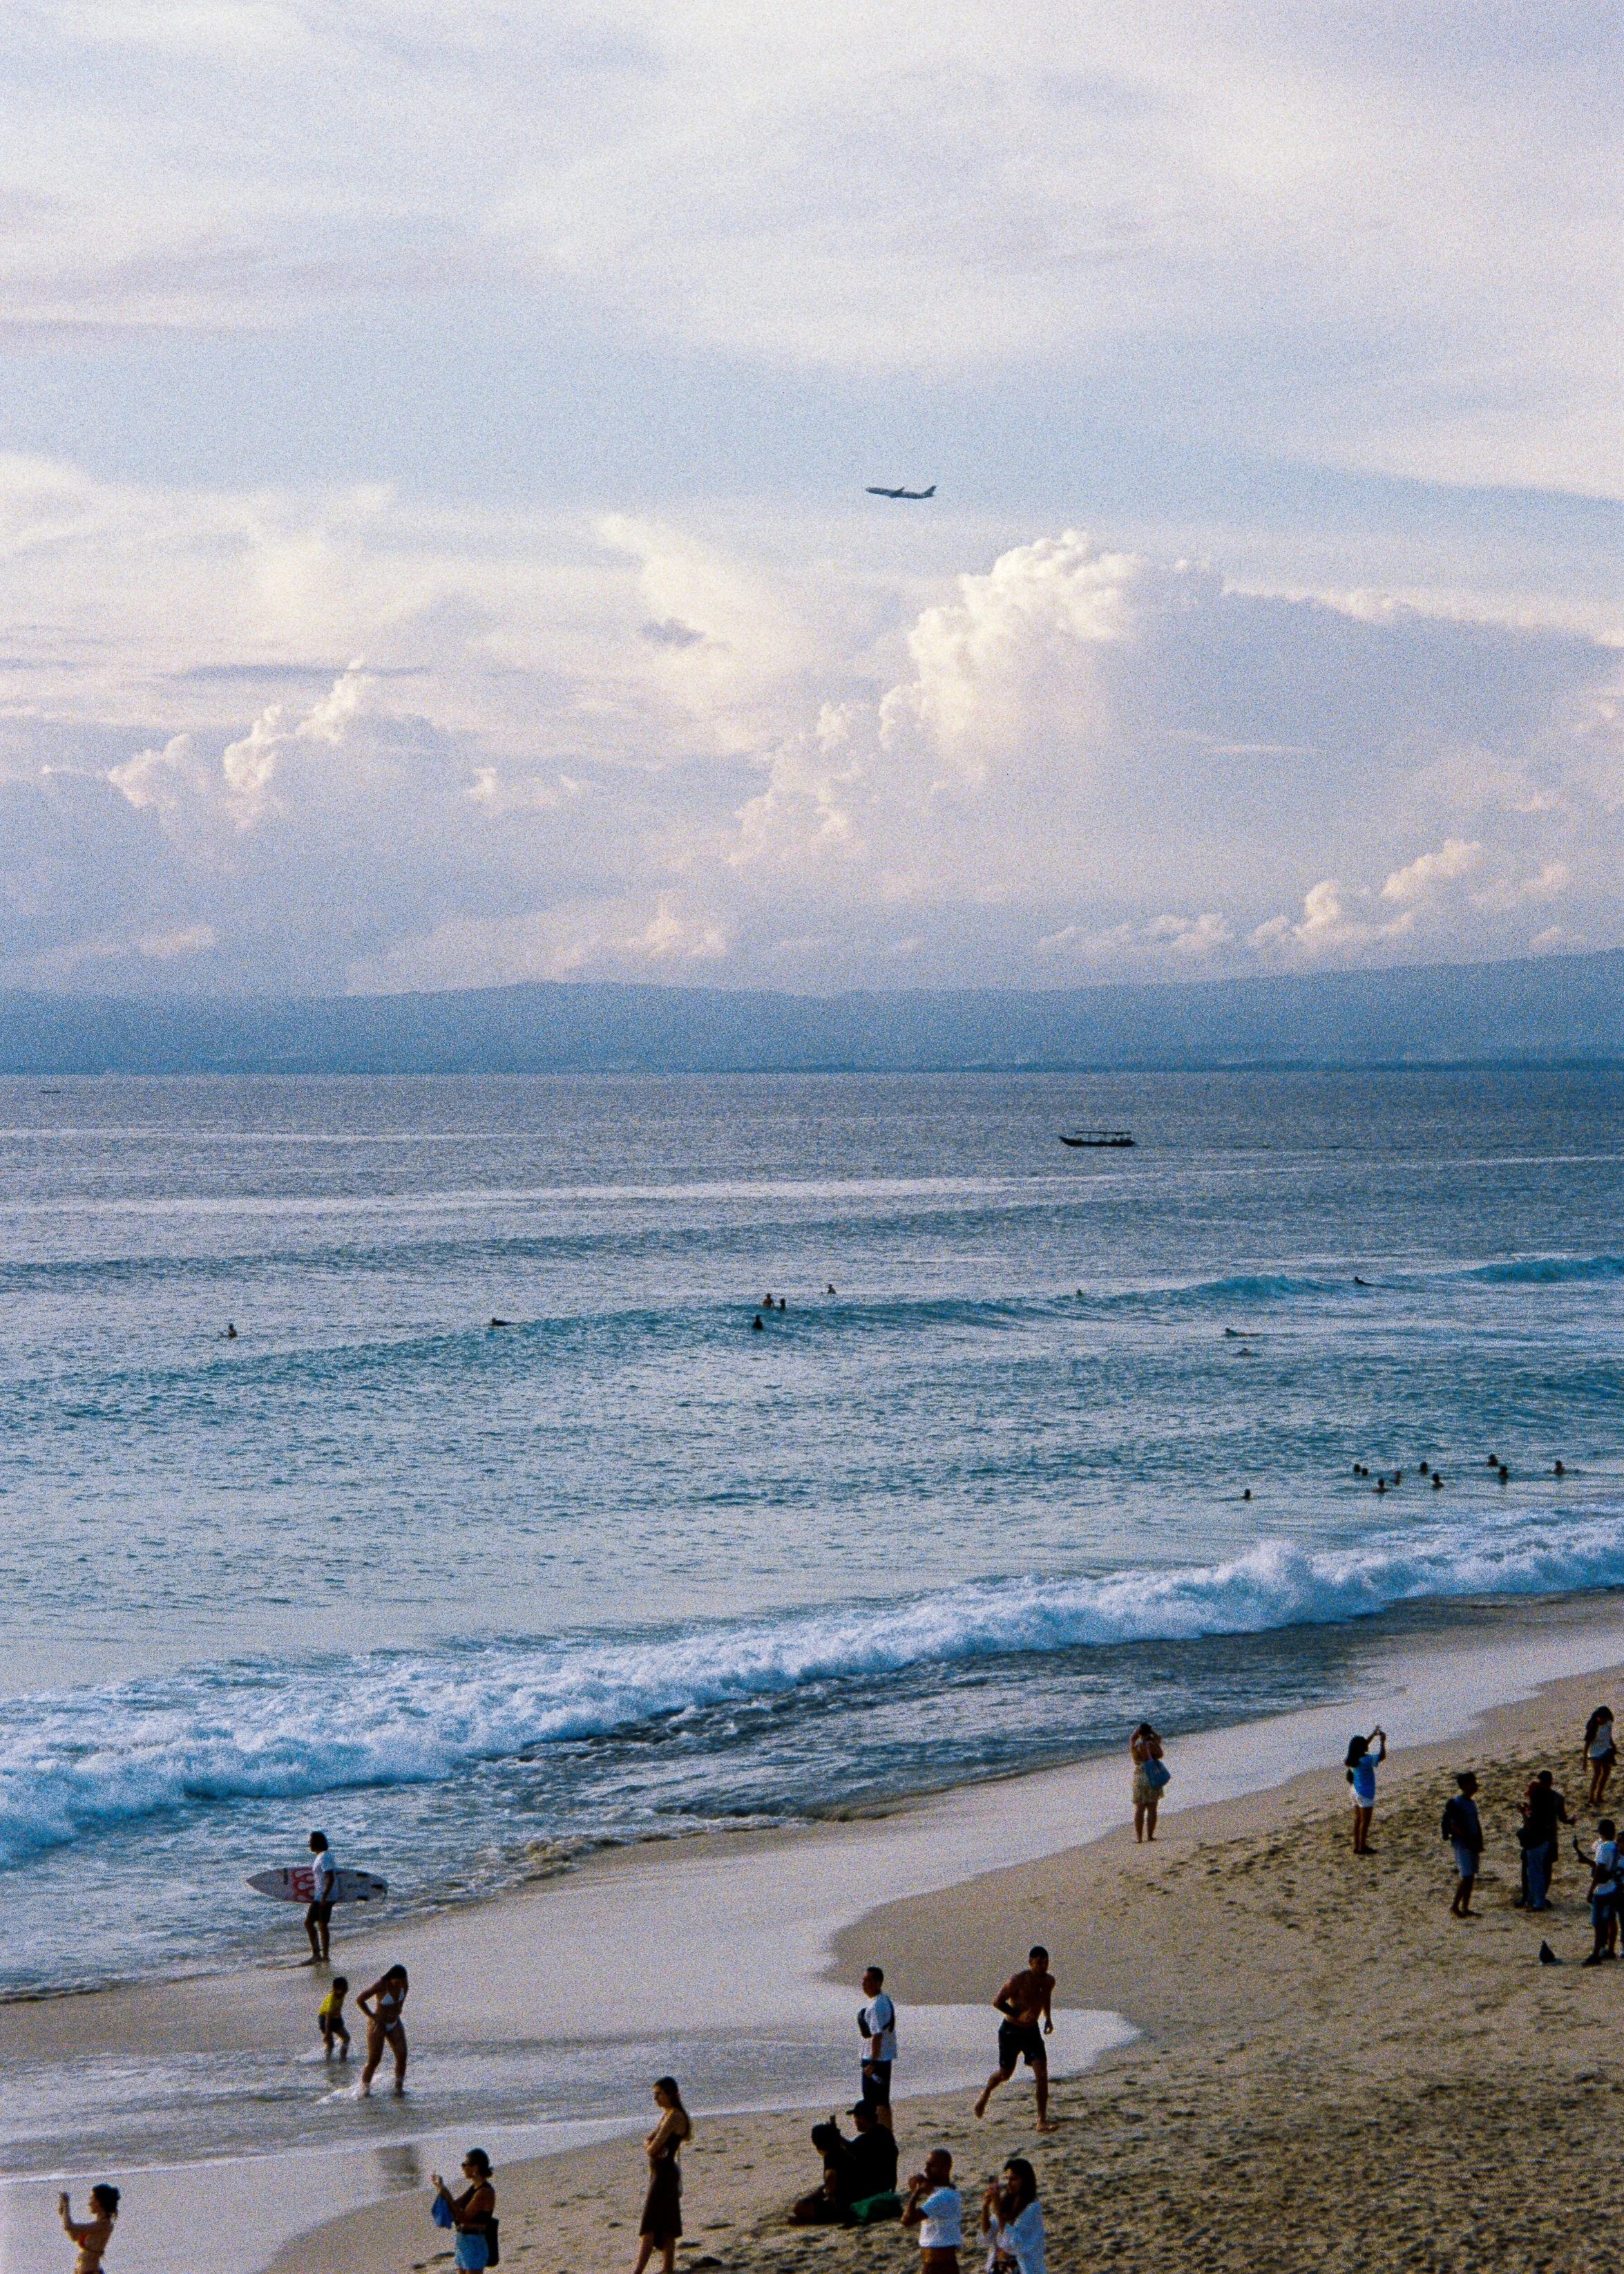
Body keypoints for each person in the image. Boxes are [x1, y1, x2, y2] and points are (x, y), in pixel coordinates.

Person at [973, 1946, 1055, 2130]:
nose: (1043, 1966)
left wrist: (1048, 2018)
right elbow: (997, 2001)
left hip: (1032, 2032)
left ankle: (1041, 2120)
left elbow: (1045, 1997)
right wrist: (1018, 2015)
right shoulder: (1018, 1980)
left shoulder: (1050, 1981)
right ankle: (986, 2093)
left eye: (1046, 1962)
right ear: (1030, 1962)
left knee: (1042, 2074)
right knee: (1005, 2074)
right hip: (1011, 2031)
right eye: (1039, 1962)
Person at [789, 2104, 899, 2225]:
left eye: (856, 2119)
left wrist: (829, 2196)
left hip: (864, 2195)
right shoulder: (884, 2134)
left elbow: (834, 2171)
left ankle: (814, 2218)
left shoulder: (863, 2142)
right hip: (884, 2187)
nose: (855, 2122)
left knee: (801, 2207)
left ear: (861, 2118)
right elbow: (853, 2150)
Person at [632, 2076, 690, 2274]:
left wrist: (650, 2146)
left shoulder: (675, 2116)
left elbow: (653, 2146)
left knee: (650, 2226)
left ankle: (638, 2271)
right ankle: (667, 2269)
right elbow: (649, 2140)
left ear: (669, 2094)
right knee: (667, 2225)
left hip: (665, 2176)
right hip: (661, 2174)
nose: (655, 2098)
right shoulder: (667, 2115)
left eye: (658, 2094)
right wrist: (650, 2145)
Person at [431, 2150, 496, 2273]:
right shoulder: (474, 2188)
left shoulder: (484, 2192)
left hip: (474, 2243)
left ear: (475, 2167)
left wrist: (446, 2194)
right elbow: (455, 2206)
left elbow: (464, 2217)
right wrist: (441, 2189)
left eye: (465, 2164)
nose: (462, 2167)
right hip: (464, 2241)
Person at [901, 2148, 962, 2272]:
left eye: (931, 2166)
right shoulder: (948, 2193)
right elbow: (940, 2190)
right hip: (941, 2263)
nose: (926, 2170)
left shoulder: (942, 2197)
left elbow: (907, 2220)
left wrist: (916, 2193)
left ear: (945, 2169)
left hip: (937, 2266)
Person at [980, 2159, 1044, 2274]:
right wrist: (985, 2208)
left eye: (1014, 2179)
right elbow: (988, 2237)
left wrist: (998, 2210)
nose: (1009, 2183)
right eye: (1007, 2178)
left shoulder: (1032, 2208)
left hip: (1021, 2268)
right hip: (999, 2266)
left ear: (1025, 2181)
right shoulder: (1006, 2204)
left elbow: (1016, 2244)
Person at [1521, 1770, 1572, 1910]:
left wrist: (1524, 1813)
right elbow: (1563, 1818)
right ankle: (1540, 1897)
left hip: (1536, 1838)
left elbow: (1531, 1819)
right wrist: (1570, 1821)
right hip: (1550, 1837)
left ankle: (1533, 1898)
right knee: (1546, 1868)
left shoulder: (1536, 1797)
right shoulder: (1557, 1798)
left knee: (1533, 1870)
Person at [356, 1963, 409, 2096]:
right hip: (379, 2023)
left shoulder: (404, 1984)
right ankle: (365, 2089)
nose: (400, 1985)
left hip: (394, 2022)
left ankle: (398, 2087)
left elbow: (403, 1996)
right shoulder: (381, 1985)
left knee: (402, 2054)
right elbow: (360, 1999)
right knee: (375, 2059)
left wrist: (398, 2009)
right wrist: (372, 2016)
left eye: (403, 1981)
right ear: (392, 1978)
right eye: (398, 1982)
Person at [858, 1964, 896, 2128]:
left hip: (876, 2061)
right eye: (863, 1980)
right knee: (881, 2101)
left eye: (867, 1980)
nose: (863, 1984)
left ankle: (882, 2136)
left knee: (876, 2103)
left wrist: (872, 2063)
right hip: (880, 2059)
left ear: (878, 1983)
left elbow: (877, 2036)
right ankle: (886, 2135)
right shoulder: (882, 2000)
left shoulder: (876, 2006)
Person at [1441, 1774, 1482, 1918]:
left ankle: (1465, 1907)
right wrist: (1467, 1837)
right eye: (1473, 1783)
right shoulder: (1457, 1803)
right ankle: (1455, 1906)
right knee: (1466, 1876)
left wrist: (1477, 1841)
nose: (1476, 1786)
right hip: (1462, 1844)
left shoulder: (1471, 1803)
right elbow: (1452, 1825)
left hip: (1471, 1843)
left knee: (1470, 1877)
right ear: (1465, 1786)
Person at [1582, 1818, 1620, 1965]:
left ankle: (1596, 1953)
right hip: (1613, 1888)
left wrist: (1591, 1890)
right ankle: (1609, 1950)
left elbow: (1599, 1870)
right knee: (1611, 1919)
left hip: (1602, 1891)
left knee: (1599, 1924)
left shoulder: (1603, 1848)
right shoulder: (1616, 1846)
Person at [57, 2188, 119, 2274]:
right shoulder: (96, 2225)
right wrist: (63, 2213)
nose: (89, 2204)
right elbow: (74, 2237)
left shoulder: (104, 2225)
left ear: (99, 2202)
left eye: (92, 2199)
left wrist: (67, 2206)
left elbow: (69, 2227)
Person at [1344, 1728, 1386, 1855]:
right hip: (1365, 1792)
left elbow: (1363, 1745)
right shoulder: (1366, 1761)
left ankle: (1357, 1846)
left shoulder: (1352, 1760)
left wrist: (1373, 1735)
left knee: (1358, 1819)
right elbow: (1382, 1757)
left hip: (1354, 1790)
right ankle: (1362, 1847)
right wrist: (1383, 1742)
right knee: (1365, 1822)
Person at [1130, 1723, 1167, 1843]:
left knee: (1140, 1808)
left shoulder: (1136, 1745)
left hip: (1140, 1775)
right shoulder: (1151, 1744)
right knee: (1152, 1807)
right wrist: (1153, 1734)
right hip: (1152, 1775)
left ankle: (1139, 1838)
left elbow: (1132, 1738)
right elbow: (1160, 1754)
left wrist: (1137, 1730)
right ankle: (1150, 1836)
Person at [304, 1830, 336, 1964]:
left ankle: (324, 1956)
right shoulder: (320, 1857)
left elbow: (330, 1877)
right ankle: (318, 1954)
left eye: (310, 1841)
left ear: (316, 1843)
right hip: (321, 1895)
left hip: (325, 1896)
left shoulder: (325, 1857)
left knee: (321, 1924)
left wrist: (325, 1896)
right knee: (310, 1923)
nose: (309, 1844)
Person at [1585, 1706, 1616, 1806]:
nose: (1603, 1720)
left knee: (1606, 1773)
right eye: (1601, 1718)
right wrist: (1585, 1760)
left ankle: (1599, 1795)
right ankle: (1591, 1797)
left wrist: (1613, 1746)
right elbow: (1587, 1744)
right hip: (1595, 1752)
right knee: (1597, 1773)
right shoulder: (1593, 1727)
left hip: (1606, 1749)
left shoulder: (1608, 1723)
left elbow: (1609, 1735)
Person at [318, 1975, 350, 2058]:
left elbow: (338, 2009)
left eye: (346, 1989)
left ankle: (343, 2058)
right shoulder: (332, 1999)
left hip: (335, 2018)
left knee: (346, 2038)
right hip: (325, 2019)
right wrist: (327, 2032)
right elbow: (328, 2016)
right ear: (335, 1989)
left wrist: (340, 2021)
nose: (344, 1992)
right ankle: (327, 2060)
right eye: (342, 1990)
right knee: (330, 2044)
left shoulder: (341, 1995)